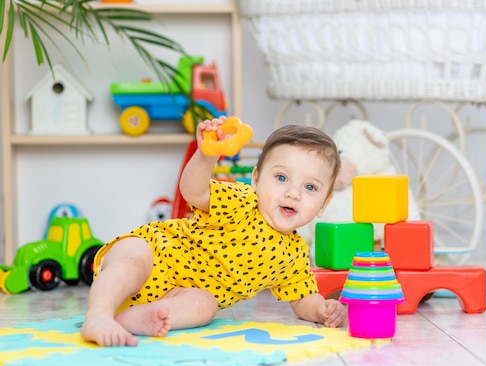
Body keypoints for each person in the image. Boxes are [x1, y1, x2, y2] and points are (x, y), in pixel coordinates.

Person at [80, 116, 346, 347]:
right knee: (131, 259)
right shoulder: (241, 201)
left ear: (324, 203)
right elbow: (193, 192)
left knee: (205, 306)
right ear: (255, 179)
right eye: (281, 178)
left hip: (178, 293)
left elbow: (302, 299)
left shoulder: (294, 255)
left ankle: (140, 317)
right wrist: (207, 154)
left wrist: (322, 309)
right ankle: (99, 316)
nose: (293, 193)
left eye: (310, 188)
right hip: (155, 253)